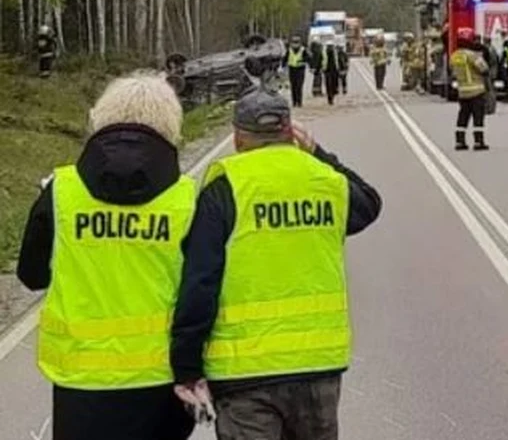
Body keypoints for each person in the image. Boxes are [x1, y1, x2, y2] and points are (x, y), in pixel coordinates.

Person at [171, 87, 381, 440]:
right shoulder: (325, 181)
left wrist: (187, 365)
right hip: (318, 368)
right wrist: (319, 154)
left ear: (238, 138)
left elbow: (200, 282)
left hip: (244, 374)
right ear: (290, 132)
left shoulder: (226, 188)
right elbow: (369, 204)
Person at [18, 71, 197, 440]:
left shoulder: (61, 192)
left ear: (100, 117)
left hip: (81, 381)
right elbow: (202, 287)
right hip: (160, 379)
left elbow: (31, 275)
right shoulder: (187, 198)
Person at [449, 28, 490, 151]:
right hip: (476, 91)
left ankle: (460, 141)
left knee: (463, 116)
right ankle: (478, 141)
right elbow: (484, 68)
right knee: (478, 117)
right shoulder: (472, 55)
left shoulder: (454, 56)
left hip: (462, 91)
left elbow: (451, 71)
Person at [285, 36, 308, 107]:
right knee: (293, 86)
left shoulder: (303, 50)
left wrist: (303, 61)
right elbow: (285, 58)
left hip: (300, 69)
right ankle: (294, 102)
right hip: (292, 69)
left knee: (299, 86)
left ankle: (299, 102)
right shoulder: (289, 50)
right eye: (294, 42)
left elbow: (308, 58)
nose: (295, 44)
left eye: (297, 42)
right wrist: (282, 66)